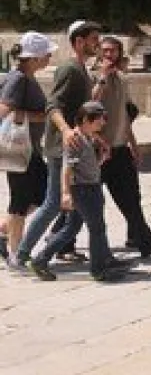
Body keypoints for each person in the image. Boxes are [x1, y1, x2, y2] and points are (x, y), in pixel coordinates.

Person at [14, 20, 103, 268]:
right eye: (94, 39)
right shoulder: (69, 69)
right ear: (79, 41)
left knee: (72, 206)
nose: (98, 43)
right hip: (61, 147)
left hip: (76, 145)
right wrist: (65, 130)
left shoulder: (83, 70)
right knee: (54, 204)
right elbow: (53, 105)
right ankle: (23, 255)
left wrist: (95, 136)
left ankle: (50, 251)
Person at [93, 36, 151, 258]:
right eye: (105, 51)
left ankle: (143, 241)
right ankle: (63, 243)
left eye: (114, 51)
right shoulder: (93, 76)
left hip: (119, 148)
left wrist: (134, 146)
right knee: (86, 199)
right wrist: (102, 78)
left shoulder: (121, 78)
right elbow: (89, 104)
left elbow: (124, 115)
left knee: (131, 196)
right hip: (98, 150)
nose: (109, 55)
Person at [27, 101, 126, 283]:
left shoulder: (87, 138)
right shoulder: (76, 139)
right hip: (84, 191)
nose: (103, 123)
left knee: (71, 228)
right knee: (97, 229)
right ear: (87, 120)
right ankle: (99, 269)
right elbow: (67, 168)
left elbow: (84, 166)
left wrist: (100, 160)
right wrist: (65, 193)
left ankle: (40, 260)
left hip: (87, 187)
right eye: (99, 120)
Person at [1, 32, 56, 271]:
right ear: (33, 58)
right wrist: (41, 116)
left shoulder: (25, 77)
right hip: (20, 150)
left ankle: (4, 232)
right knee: (21, 200)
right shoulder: (19, 79)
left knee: (43, 197)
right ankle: (15, 255)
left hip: (31, 151)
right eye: (46, 54)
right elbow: (5, 110)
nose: (49, 57)